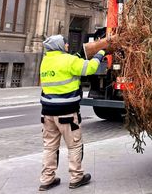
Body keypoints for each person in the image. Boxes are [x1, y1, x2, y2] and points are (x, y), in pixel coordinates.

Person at [38, 35, 106, 191]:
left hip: (47, 113)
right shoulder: (69, 61)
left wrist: (77, 56)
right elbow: (90, 68)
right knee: (74, 146)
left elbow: (67, 64)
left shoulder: (46, 61)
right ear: (60, 46)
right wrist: (100, 53)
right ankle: (76, 177)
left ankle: (47, 179)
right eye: (65, 43)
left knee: (50, 147)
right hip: (67, 113)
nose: (67, 45)